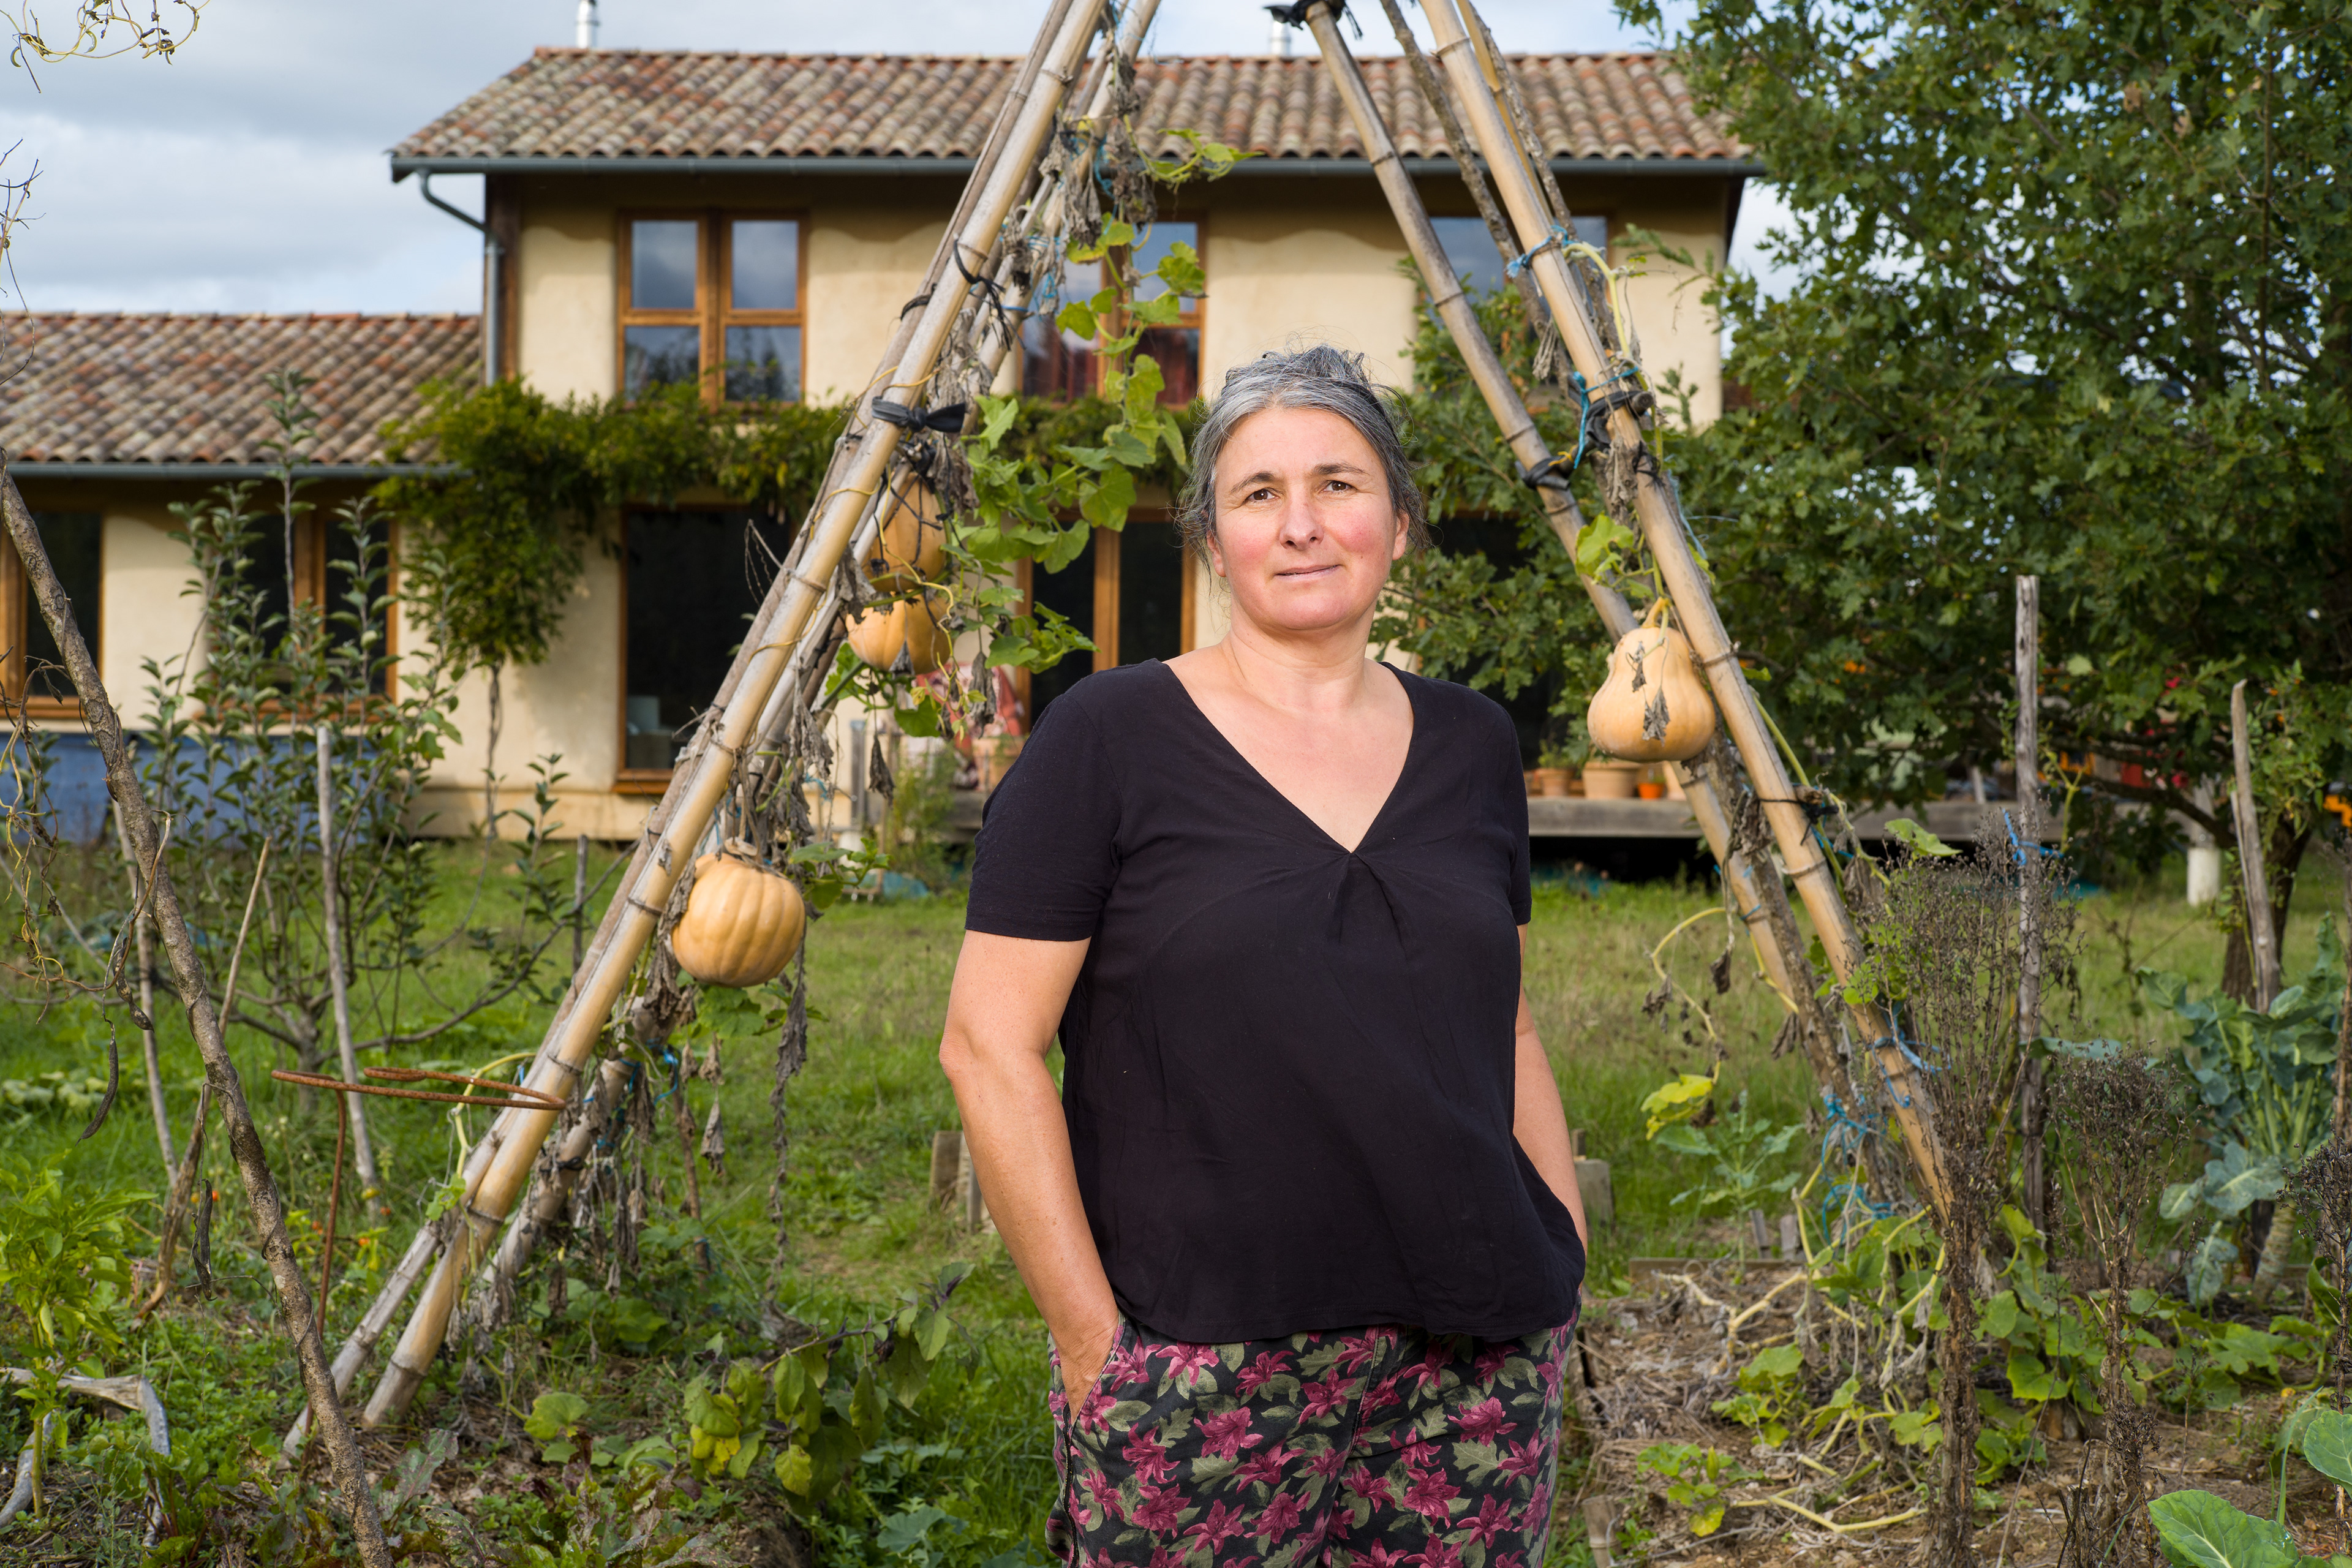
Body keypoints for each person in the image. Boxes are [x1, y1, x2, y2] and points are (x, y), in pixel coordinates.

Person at [940, 344, 1588, 1567]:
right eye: (1258, 494)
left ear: (1399, 522)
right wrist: (1096, 1348)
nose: (1301, 525)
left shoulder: (1472, 741)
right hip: (1199, 1370)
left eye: (1339, 484)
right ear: (1212, 535)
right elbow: (989, 1046)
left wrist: (1562, 1249)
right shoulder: (1108, 738)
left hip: (1476, 1360)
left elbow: (1503, 1023)